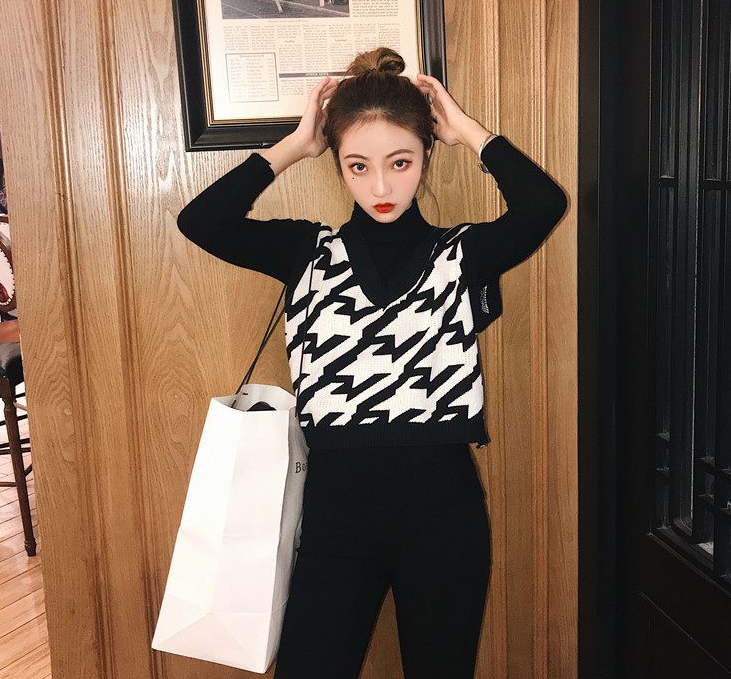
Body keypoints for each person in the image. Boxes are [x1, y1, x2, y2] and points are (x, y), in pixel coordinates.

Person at [177, 48, 567, 679]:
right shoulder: (306, 252)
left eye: (400, 162)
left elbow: (543, 204)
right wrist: (295, 145)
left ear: (426, 156)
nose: (380, 187)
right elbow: (201, 220)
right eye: (357, 165)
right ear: (337, 163)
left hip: (444, 520)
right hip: (334, 521)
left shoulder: (462, 254)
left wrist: (467, 130)